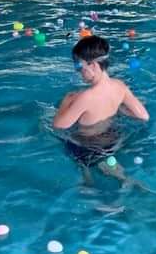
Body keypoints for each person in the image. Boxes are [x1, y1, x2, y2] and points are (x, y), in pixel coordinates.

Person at [54, 35, 148, 177]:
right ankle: (128, 181)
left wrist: (66, 102)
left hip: (87, 147)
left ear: (92, 64)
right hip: (114, 140)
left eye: (79, 66)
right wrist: (120, 109)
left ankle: (88, 184)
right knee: (117, 172)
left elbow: (59, 126)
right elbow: (143, 116)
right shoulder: (119, 86)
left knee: (85, 175)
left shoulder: (85, 97)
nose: (78, 71)